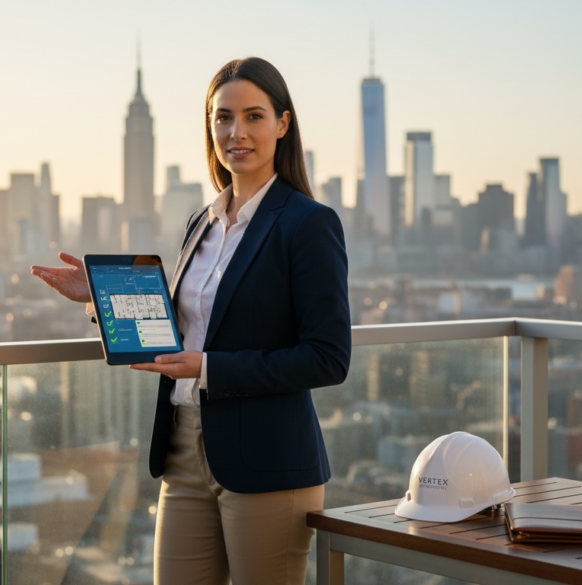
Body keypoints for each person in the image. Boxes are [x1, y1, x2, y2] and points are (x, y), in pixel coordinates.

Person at [31, 57, 350, 585]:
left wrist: (210, 368)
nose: (236, 132)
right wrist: (100, 302)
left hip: (267, 463)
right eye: (223, 118)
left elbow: (328, 357)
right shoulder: (200, 223)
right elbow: (178, 335)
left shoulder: (308, 224)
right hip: (182, 451)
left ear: (283, 124)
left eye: (253, 116)